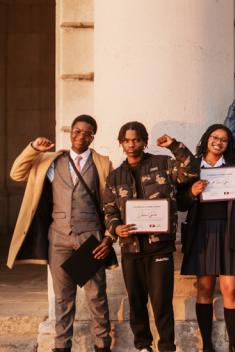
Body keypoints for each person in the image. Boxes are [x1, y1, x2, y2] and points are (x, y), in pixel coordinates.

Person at [7, 115, 114, 352]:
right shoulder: (52, 161)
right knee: (63, 297)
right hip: (59, 237)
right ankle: (61, 347)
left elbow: (111, 203)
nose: (80, 136)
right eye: (76, 131)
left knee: (96, 295)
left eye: (86, 133)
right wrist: (34, 149)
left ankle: (102, 345)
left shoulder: (102, 164)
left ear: (92, 137)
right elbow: (17, 173)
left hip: (90, 237)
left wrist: (109, 236)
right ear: (71, 133)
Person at [102, 122, 199, 352]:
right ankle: (143, 346)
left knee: (161, 302)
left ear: (144, 141)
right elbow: (109, 210)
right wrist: (116, 229)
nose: (131, 144)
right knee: (136, 302)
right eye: (126, 140)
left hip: (160, 247)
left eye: (136, 139)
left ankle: (166, 347)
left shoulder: (163, 164)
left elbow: (191, 171)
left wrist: (174, 146)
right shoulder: (115, 177)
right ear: (121, 143)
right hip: (130, 248)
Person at [178, 125, 235, 352]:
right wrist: (191, 193)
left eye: (224, 140)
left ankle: (233, 345)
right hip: (201, 232)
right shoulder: (193, 166)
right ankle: (207, 345)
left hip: (229, 231)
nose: (218, 142)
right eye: (215, 137)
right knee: (204, 289)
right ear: (206, 139)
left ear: (228, 144)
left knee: (230, 289)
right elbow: (181, 203)